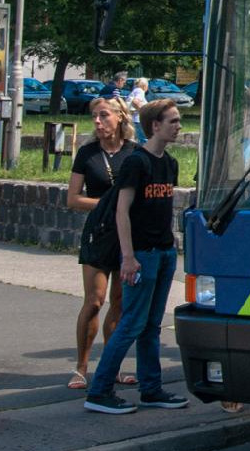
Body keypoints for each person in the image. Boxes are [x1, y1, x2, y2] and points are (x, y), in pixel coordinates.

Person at [85, 98, 188, 414]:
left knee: (151, 326)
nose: (178, 126)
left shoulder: (169, 163)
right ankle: (99, 390)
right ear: (155, 125)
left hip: (165, 252)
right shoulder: (136, 163)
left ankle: (151, 389)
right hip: (142, 254)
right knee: (131, 323)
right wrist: (128, 257)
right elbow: (122, 211)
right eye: (173, 120)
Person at [66, 98, 136, 391]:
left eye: (103, 115)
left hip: (126, 236)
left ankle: (111, 366)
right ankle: (81, 367)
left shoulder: (134, 153)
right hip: (98, 233)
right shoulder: (87, 153)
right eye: (94, 116)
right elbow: (73, 199)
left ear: (120, 117)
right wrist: (108, 205)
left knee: (119, 302)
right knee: (94, 301)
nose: (97, 121)